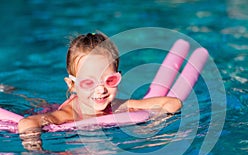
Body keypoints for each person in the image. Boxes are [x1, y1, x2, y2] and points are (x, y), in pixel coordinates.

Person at [18, 32, 182, 134]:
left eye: (109, 80)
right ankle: (13, 90)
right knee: (38, 104)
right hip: (57, 111)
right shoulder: (68, 116)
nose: (100, 89)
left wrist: (156, 119)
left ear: (119, 77)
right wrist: (35, 147)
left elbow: (173, 104)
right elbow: (27, 122)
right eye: (88, 82)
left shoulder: (117, 105)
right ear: (72, 85)